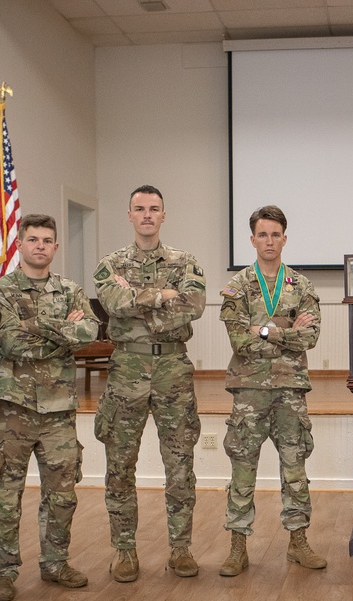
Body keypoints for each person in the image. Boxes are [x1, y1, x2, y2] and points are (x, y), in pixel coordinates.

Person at [0, 214, 99, 601]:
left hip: (59, 411)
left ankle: (55, 563)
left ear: (55, 246)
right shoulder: (1, 291)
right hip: (13, 410)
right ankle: (2, 572)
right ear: (20, 243)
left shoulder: (69, 289)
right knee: (4, 494)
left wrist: (40, 327)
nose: (40, 246)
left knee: (62, 495)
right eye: (33, 239)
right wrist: (63, 330)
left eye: (47, 240)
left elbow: (91, 332)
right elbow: (13, 343)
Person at [94, 185, 205, 581]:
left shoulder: (185, 261)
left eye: (153, 209)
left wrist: (140, 298)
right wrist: (164, 296)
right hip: (127, 370)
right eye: (139, 209)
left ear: (163, 215)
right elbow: (112, 304)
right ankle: (124, 551)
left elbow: (193, 306)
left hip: (173, 369)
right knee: (120, 464)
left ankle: (181, 549)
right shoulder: (111, 263)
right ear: (129, 215)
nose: (146, 215)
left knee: (180, 464)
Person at [217, 205, 325, 575]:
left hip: (291, 391)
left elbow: (310, 337)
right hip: (249, 391)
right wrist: (287, 333)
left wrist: (264, 329)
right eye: (262, 234)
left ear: (284, 238)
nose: (269, 240)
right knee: (243, 469)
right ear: (252, 239)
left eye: (275, 234)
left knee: (295, 468)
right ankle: (237, 547)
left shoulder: (302, 286)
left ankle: (298, 542)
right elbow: (238, 340)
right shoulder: (237, 287)